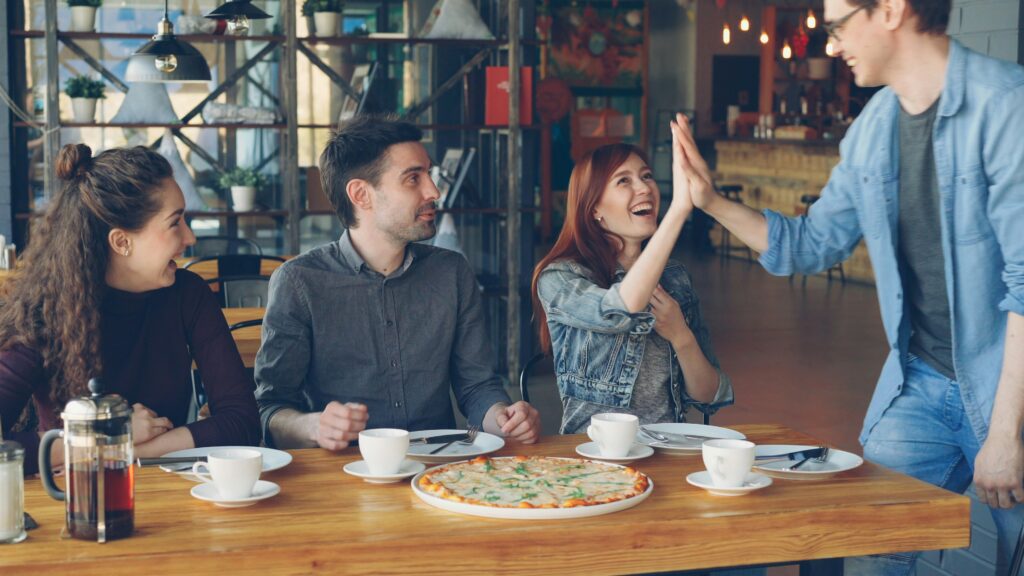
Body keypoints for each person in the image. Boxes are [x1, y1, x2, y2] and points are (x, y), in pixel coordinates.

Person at [671, 0, 1024, 572]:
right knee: (861, 546)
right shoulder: (874, 129)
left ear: (890, 10)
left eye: (837, 25)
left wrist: (1006, 434)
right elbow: (810, 244)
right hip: (923, 381)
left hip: (1013, 391)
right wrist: (710, 201)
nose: (831, 44)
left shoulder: (1007, 106)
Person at [254, 115, 541, 449]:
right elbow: (268, 408)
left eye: (429, 174)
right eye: (413, 179)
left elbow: (476, 387)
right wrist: (312, 426)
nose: (433, 191)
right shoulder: (300, 282)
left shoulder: (451, 272)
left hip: (437, 470)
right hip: (343, 475)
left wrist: (506, 419)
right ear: (361, 195)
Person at [0, 144, 261, 474]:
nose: (190, 237)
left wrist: (123, 448)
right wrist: (104, 435)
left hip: (173, 496)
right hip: (75, 504)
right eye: (175, 223)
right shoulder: (45, 312)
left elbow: (243, 422)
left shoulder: (188, 294)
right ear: (122, 242)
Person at [531, 139, 733, 434]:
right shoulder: (560, 278)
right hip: (594, 455)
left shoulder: (675, 277)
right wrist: (678, 210)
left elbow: (708, 398)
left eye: (646, 176)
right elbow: (618, 310)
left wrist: (681, 336)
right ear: (594, 208)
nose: (643, 188)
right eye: (623, 180)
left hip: (668, 449)